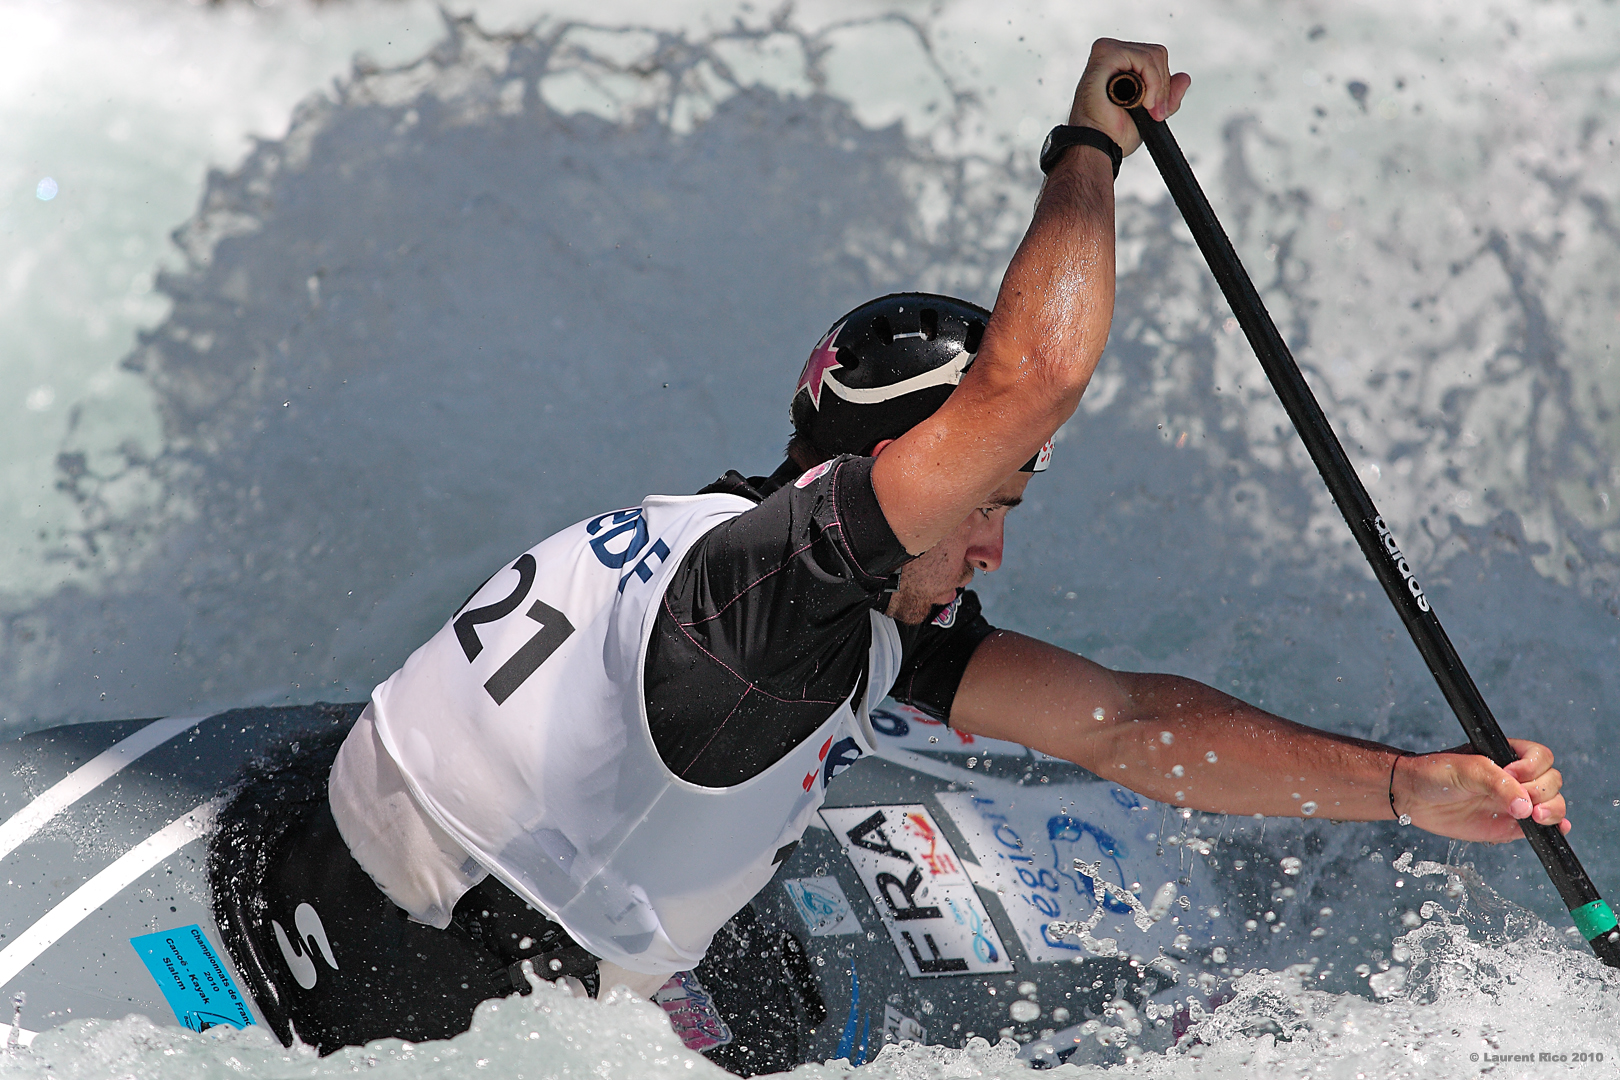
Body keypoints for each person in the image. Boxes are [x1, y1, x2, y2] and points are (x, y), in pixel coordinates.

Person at [212, 37, 1570, 1062]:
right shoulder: (775, 606)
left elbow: (1125, 727)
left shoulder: (737, 533)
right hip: (423, 1002)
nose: (989, 541)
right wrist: (1088, 146)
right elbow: (1027, 382)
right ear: (891, 472)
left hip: (299, 836)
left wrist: (1410, 789)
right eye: (986, 499)